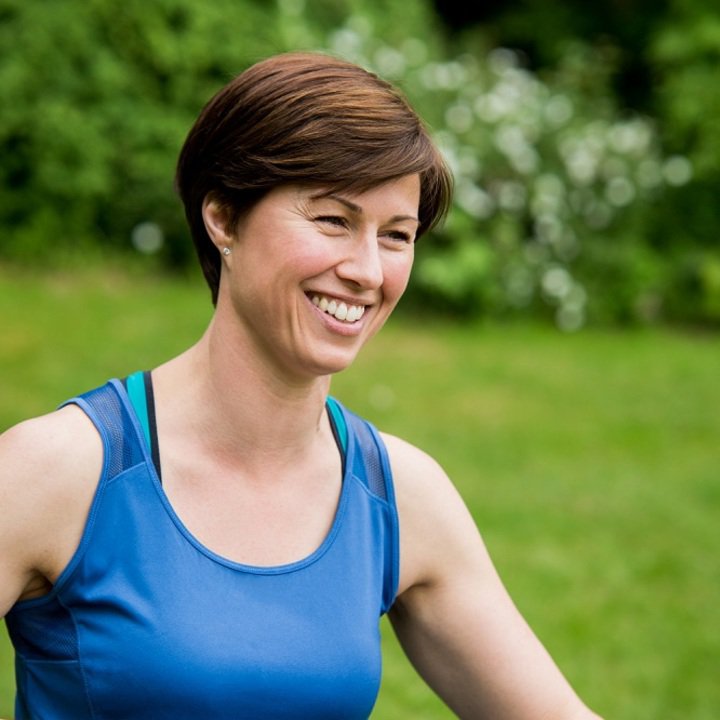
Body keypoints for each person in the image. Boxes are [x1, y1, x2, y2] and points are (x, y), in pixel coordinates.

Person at [0, 52, 602, 719]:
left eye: (396, 235)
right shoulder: (58, 472)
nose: (368, 271)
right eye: (333, 221)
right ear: (224, 218)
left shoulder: (400, 496)